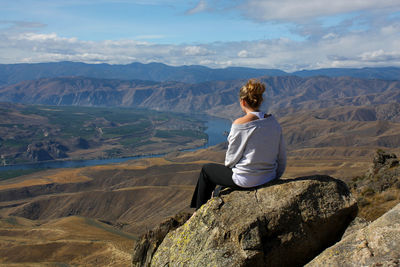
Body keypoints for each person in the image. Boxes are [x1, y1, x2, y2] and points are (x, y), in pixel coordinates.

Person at [190, 79, 286, 210]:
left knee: (206, 170)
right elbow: (281, 156)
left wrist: (234, 172)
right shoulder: (273, 122)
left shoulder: (240, 125)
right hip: (269, 176)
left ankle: (199, 211)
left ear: (243, 102)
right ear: (260, 100)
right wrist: (275, 176)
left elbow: (231, 160)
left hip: (246, 180)